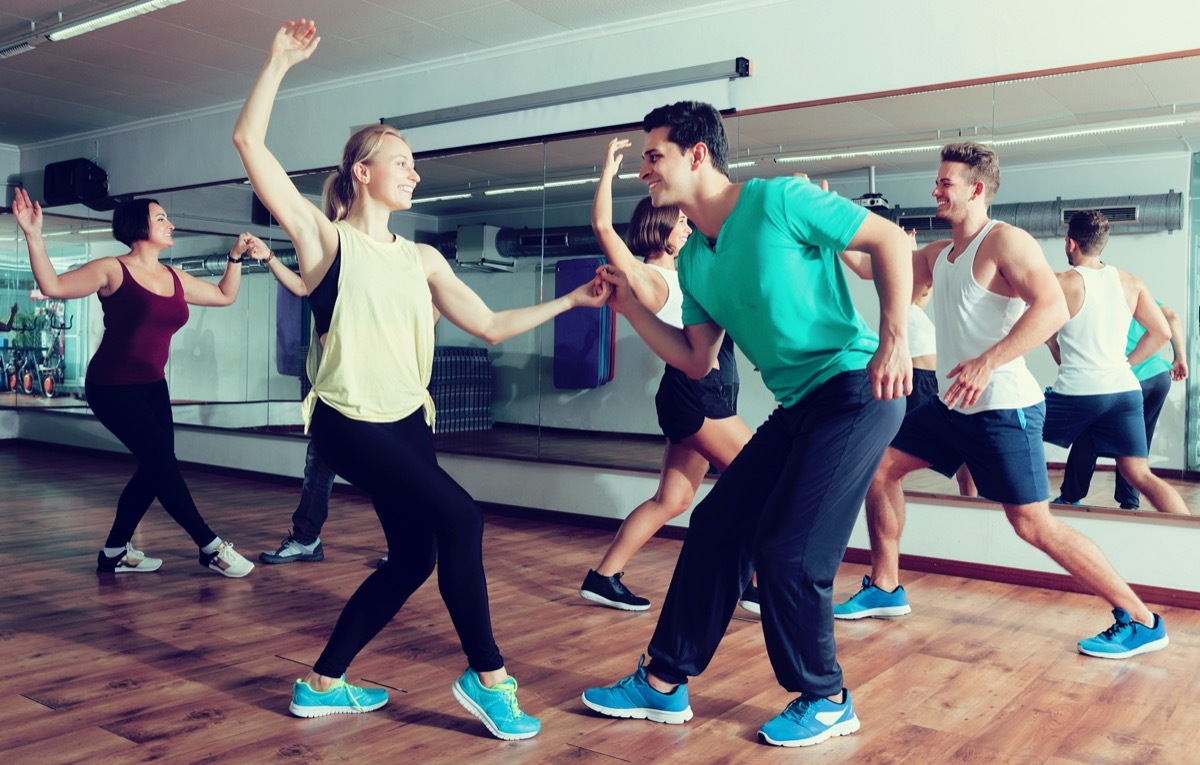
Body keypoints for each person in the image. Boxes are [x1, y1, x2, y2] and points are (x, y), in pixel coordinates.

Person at [233, 18, 609, 738]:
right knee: (462, 517)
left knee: (412, 557)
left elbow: (490, 326)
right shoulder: (326, 240)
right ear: (362, 173)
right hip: (349, 419)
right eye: (400, 161)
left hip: (408, 421)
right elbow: (250, 144)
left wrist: (571, 299)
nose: (414, 172)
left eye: (414, 163)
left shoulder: (424, 259)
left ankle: (323, 682)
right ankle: (489, 677)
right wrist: (278, 61)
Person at [582, 100, 914, 749]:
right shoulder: (694, 262)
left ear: (697, 154)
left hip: (855, 391)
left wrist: (894, 338)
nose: (644, 170)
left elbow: (890, 239)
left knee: (789, 549)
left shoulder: (777, 201)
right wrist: (629, 310)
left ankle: (826, 695)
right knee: (716, 523)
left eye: (655, 156)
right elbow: (695, 358)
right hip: (799, 407)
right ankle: (662, 681)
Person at [833, 143, 1169, 661]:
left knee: (1033, 524)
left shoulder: (1005, 242)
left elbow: (1052, 307)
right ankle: (885, 585)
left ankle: (1141, 618)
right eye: (938, 181)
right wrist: (820, 220)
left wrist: (988, 361)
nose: (935, 190)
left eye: (946, 183)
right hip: (953, 404)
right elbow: (866, 266)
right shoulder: (940, 254)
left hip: (1003, 407)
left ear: (977, 189)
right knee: (879, 469)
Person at [13, 188, 257, 578]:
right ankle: (210, 546)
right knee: (162, 464)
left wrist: (235, 258)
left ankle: (114, 552)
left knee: (154, 467)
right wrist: (33, 235)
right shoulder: (113, 269)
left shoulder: (174, 276)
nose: (170, 224)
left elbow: (225, 295)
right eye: (161, 218)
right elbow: (53, 287)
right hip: (112, 386)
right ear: (138, 226)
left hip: (152, 385)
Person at [579, 137, 753, 613]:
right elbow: (601, 226)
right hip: (698, 395)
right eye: (679, 223)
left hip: (701, 394)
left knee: (673, 498)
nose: (685, 227)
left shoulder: (692, 270)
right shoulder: (652, 277)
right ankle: (753, 581)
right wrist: (607, 174)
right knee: (760, 479)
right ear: (661, 229)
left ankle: (604, 576)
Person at [1041, 210, 1189, 516]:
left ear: (1071, 243)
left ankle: (1012, 514)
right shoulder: (1131, 282)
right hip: (1124, 392)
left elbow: (1046, 342)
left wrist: (1051, 342)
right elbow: (1161, 331)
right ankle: (1190, 531)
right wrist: (1126, 363)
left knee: (1010, 428)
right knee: (1140, 473)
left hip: (1078, 395)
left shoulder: (1061, 283)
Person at [839, 231, 977, 497]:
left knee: (963, 445)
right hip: (916, 373)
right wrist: (831, 228)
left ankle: (971, 498)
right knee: (889, 449)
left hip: (932, 374)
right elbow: (861, 266)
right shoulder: (926, 265)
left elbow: (918, 297)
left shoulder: (927, 286)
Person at [1056, 298, 1188, 509]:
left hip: (1127, 379)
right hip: (1158, 377)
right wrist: (1181, 357)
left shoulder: (1091, 299)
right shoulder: (1132, 291)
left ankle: (1069, 497)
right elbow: (1171, 315)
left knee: (1088, 436)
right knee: (1136, 442)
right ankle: (1129, 503)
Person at [254, 249, 338, 564]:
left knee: (388, 472)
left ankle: (410, 544)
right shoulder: (333, 268)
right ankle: (306, 539)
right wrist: (270, 257)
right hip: (333, 391)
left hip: (370, 392)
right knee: (319, 465)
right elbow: (303, 286)